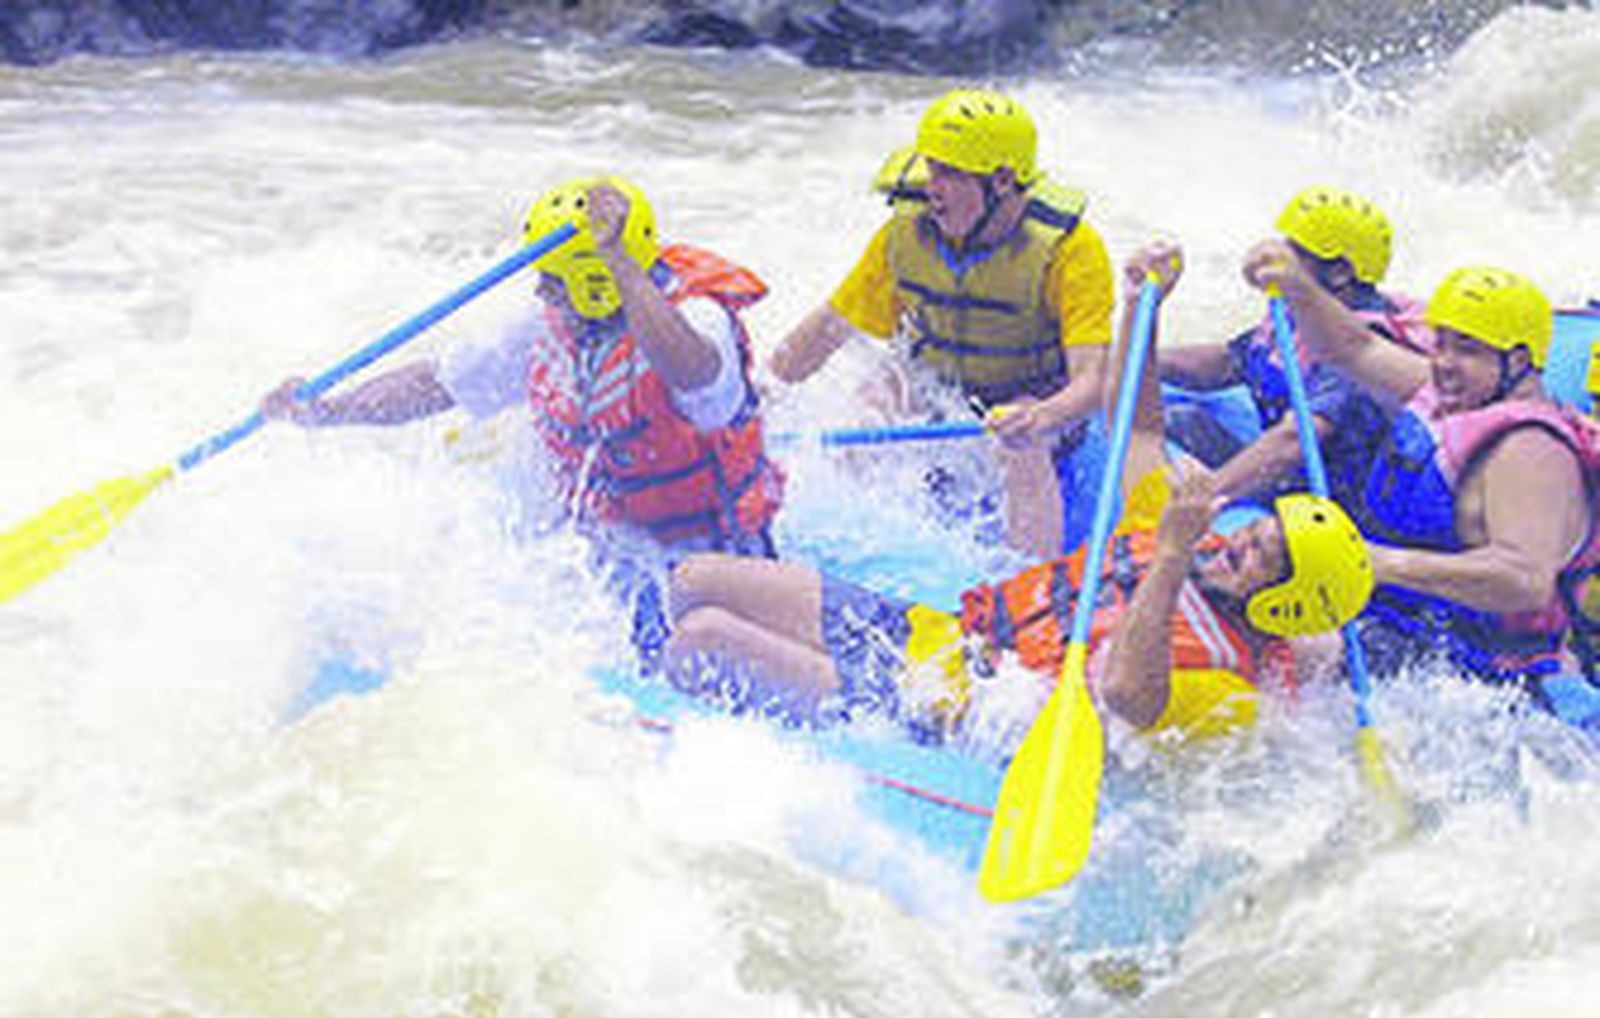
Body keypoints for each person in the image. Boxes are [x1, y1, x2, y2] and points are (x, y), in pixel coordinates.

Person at [664, 244, 1375, 742]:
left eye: (1256, 555)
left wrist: (1169, 559)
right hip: (944, 635)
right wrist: (1145, 303)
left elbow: (1129, 698)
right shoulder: (1191, 547)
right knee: (693, 581)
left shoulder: (1223, 686)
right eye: (1253, 531)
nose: (1236, 542)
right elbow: (1142, 428)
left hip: (951, 708)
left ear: (1277, 604)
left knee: (703, 638)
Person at [261, 176, 785, 561]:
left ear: (594, 281)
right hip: (605, 558)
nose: (540, 292)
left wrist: (618, 262)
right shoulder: (550, 328)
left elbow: (689, 371)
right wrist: (324, 411)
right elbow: (436, 385)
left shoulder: (699, 318)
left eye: (553, 280)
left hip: (720, 562)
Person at [767, 88, 1116, 558]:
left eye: (951, 174)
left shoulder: (1070, 251)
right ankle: (857, 545)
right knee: (872, 399)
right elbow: (831, 326)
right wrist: (756, 393)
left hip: (1033, 397)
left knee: (1022, 440)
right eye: (932, 167)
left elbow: (1092, 383)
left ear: (1002, 181)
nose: (933, 187)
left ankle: (1028, 582)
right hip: (942, 387)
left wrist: (1041, 416)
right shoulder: (906, 233)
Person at [1247, 248, 1598, 697]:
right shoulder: (1461, 393)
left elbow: (1524, 580)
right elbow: (1354, 348)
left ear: (1519, 360)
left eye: (1466, 349)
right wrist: (1297, 284)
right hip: (1398, 622)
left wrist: (1377, 563)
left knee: (1269, 656)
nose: (1444, 363)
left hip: (1476, 669)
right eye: (1442, 343)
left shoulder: (1530, 450)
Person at [1157, 185, 1431, 511]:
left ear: (1341, 272)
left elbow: (1294, 441)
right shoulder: (1298, 311)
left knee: (1175, 428)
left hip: (1330, 500)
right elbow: (1229, 363)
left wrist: (1204, 498)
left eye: (1296, 252)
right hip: (1289, 473)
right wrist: (1141, 357)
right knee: (1178, 419)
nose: (1282, 256)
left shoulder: (1358, 350)